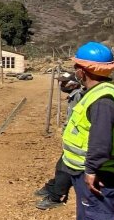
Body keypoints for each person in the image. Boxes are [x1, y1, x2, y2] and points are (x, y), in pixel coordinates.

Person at [60, 42, 114, 220]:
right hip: (87, 173)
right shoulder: (101, 92)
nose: (75, 71)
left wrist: (92, 169)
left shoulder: (102, 100)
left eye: (77, 67)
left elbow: (100, 140)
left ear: (83, 70)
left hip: (98, 176)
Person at [35, 72, 86, 209]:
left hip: (80, 144)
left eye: (64, 82)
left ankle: (56, 196)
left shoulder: (79, 96)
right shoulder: (73, 97)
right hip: (73, 142)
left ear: (73, 83)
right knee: (61, 167)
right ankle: (52, 189)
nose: (61, 85)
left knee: (64, 169)